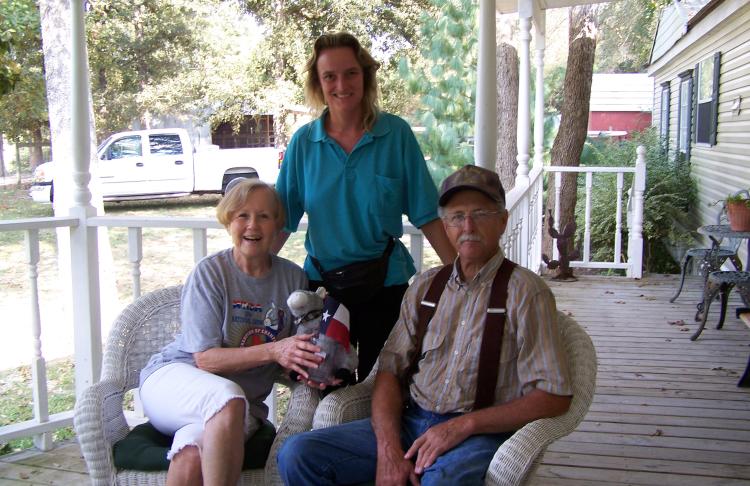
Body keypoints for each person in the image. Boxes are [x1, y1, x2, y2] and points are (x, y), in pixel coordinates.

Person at [277, 165, 573, 485]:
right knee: (298, 455)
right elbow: (389, 372)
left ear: (502, 221)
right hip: (410, 422)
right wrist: (389, 450)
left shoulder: (527, 293)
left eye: (481, 213)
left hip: (477, 435)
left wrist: (464, 426)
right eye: (457, 216)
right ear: (445, 226)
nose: (468, 225)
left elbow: (553, 396)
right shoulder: (426, 287)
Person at [273, 32, 456, 382]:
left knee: (381, 390)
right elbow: (280, 222)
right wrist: (244, 272)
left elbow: (427, 214)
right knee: (325, 387)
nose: (341, 84)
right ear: (319, 83)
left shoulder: (395, 135)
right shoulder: (303, 143)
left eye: (350, 73)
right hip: (322, 291)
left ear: (365, 76)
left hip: (385, 285)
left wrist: (465, 280)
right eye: (330, 76)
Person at [138, 178, 327, 486]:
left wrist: (314, 365)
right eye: (243, 215)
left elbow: (297, 351)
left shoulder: (293, 278)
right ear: (229, 221)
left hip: (242, 407)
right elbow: (205, 360)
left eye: (265, 216)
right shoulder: (210, 272)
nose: (253, 225)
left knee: (191, 455)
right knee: (228, 399)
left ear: (279, 225)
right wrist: (274, 350)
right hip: (174, 383)